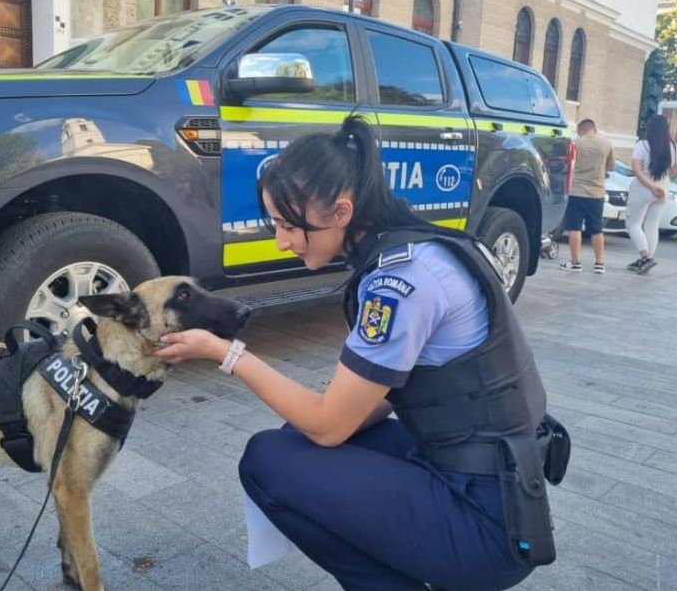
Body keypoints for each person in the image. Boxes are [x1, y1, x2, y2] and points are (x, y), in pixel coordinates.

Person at [156, 115, 564, 591]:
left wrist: (228, 354)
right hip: (501, 483)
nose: (280, 240)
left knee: (267, 460)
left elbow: (329, 426)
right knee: (296, 437)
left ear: (341, 213)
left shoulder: (399, 283)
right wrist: (324, 419)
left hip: (483, 521)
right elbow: (379, 400)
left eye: (289, 224)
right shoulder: (429, 249)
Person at [625, 114, 677, 274]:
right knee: (652, 225)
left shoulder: (642, 145)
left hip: (642, 190)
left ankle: (645, 257)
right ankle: (647, 259)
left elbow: (636, 169)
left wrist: (650, 185)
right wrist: (660, 182)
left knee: (633, 224)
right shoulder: (674, 147)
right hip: (663, 189)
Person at [560, 118, 615, 273]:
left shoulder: (575, 143)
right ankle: (599, 263)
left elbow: (567, 164)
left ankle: (575, 262)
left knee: (575, 228)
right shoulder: (606, 143)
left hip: (576, 191)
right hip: (597, 193)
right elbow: (611, 167)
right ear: (594, 129)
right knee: (597, 229)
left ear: (580, 130)